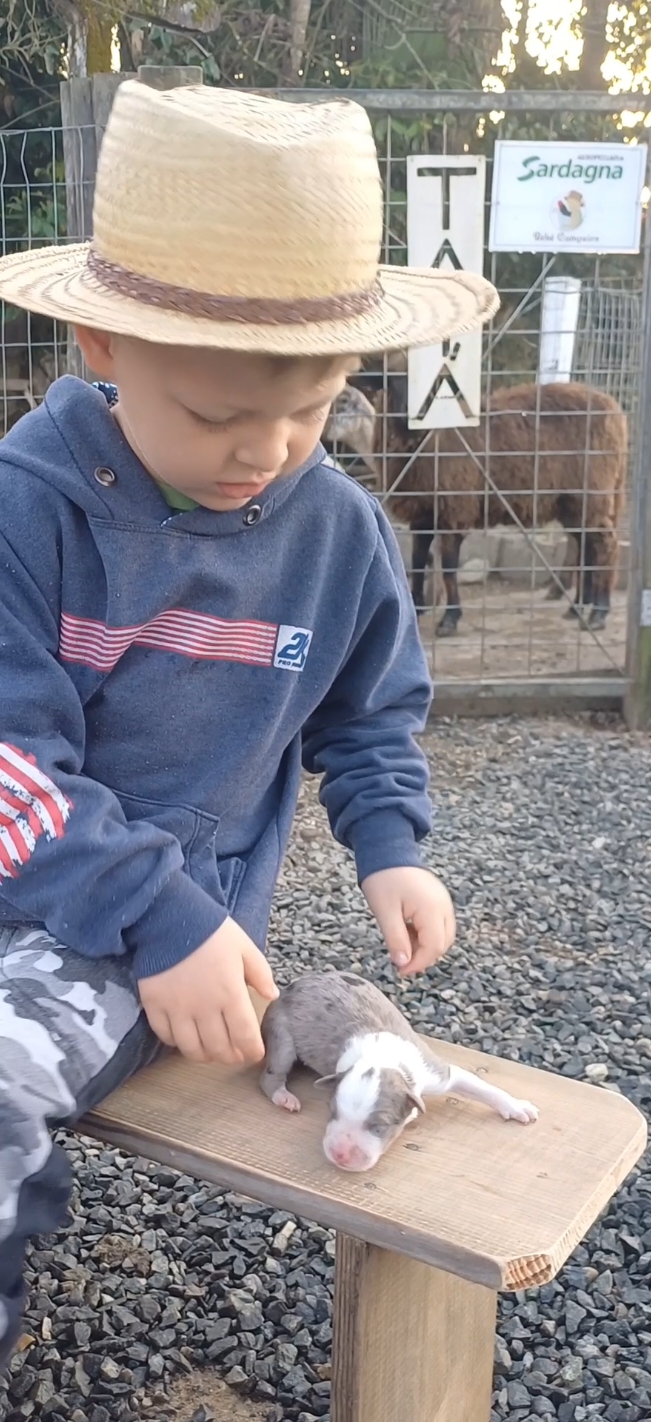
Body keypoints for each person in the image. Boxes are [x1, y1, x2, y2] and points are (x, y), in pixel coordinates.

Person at [0, 80, 498, 1363]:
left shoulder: (338, 533)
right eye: (222, 415)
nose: (267, 451)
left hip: (142, 939)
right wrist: (155, 907)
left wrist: (391, 841)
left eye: (313, 408)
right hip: (80, 882)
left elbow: (368, 705)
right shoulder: (28, 511)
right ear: (103, 352)